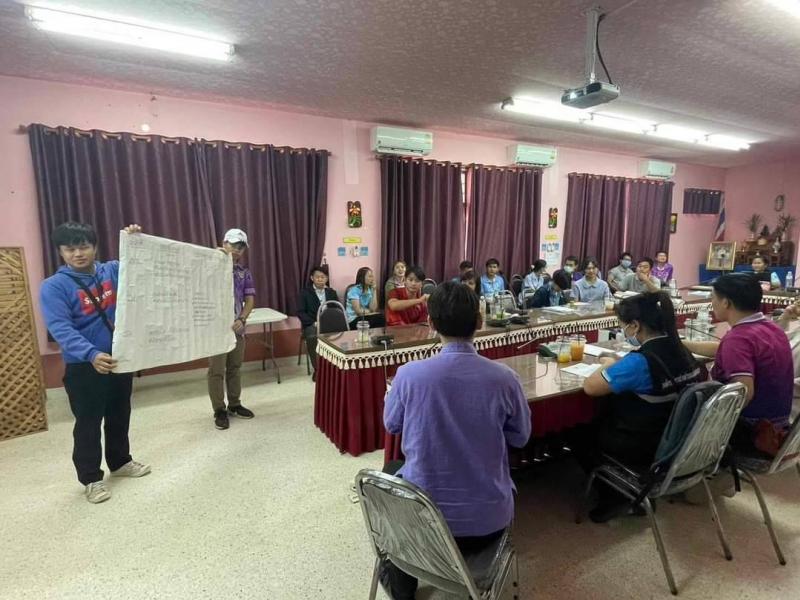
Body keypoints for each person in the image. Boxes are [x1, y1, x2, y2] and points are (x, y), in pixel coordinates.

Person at [382, 281, 531, 599]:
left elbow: (391, 424)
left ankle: (402, 587)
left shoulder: (408, 375)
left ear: (431, 323)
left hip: (426, 527)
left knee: (392, 474)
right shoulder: (505, 379)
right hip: (488, 525)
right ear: (479, 321)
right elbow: (521, 437)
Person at [40, 221, 151, 504]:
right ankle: (90, 478)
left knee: (119, 413)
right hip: (84, 366)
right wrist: (91, 354)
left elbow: (143, 266)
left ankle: (120, 461)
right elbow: (61, 328)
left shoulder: (112, 271)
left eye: (84, 246)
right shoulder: (53, 286)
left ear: (95, 247)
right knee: (88, 422)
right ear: (60, 252)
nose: (78, 254)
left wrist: (135, 240)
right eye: (70, 249)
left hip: (118, 359)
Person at [580, 292, 702, 522]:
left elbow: (590, 387)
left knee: (580, 435)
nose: (624, 331)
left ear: (635, 326)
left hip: (643, 441)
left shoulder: (640, 361)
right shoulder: (681, 349)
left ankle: (616, 497)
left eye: (623, 326)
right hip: (678, 436)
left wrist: (608, 363)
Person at [684, 273, 793, 453]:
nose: (712, 303)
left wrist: (708, 424)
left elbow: (744, 392)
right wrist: (682, 343)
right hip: (780, 426)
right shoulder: (771, 329)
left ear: (726, 302)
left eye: (713, 298)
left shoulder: (738, 339)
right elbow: (724, 348)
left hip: (754, 433)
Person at [207, 228, 257, 431]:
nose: (237, 250)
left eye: (241, 247)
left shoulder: (244, 273)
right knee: (216, 371)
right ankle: (219, 409)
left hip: (237, 328)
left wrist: (242, 319)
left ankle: (235, 404)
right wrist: (213, 259)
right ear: (224, 243)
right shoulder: (208, 267)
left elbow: (249, 300)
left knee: (235, 367)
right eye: (234, 245)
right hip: (215, 329)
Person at [297, 266, 340, 379]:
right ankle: (318, 370)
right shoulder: (305, 293)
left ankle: (336, 367)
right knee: (312, 336)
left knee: (341, 333)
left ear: (326, 279)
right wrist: (313, 322)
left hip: (329, 324)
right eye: (317, 277)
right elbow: (300, 312)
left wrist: (332, 321)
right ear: (312, 278)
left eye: (323, 277)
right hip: (312, 324)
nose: (320, 279)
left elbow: (338, 310)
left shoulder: (331, 292)